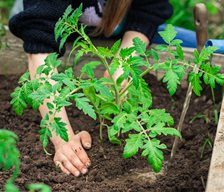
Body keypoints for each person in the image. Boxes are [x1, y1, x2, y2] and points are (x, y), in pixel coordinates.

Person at [9, 0, 173, 177]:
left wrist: (121, 67)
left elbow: (148, 12)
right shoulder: (43, 20)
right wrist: (62, 139)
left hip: (117, 30)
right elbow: (40, 48)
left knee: (188, 41)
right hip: (47, 24)